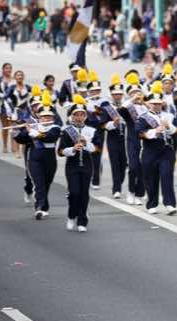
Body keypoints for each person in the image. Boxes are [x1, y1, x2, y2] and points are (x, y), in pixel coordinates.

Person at [59, 95, 102, 233]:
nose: (79, 117)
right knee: (74, 192)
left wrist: (86, 143)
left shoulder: (91, 131)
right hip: (72, 166)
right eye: (76, 115)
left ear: (85, 116)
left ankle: (82, 220)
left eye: (82, 115)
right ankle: (72, 215)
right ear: (72, 116)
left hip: (87, 165)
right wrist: (72, 149)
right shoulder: (67, 131)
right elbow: (60, 151)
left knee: (84, 193)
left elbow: (97, 149)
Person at [136, 84, 177, 215]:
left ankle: (170, 204)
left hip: (166, 150)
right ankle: (152, 204)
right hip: (150, 150)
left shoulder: (169, 116)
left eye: (158, 103)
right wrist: (155, 131)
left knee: (167, 176)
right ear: (149, 104)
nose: (156, 106)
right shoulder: (143, 117)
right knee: (151, 178)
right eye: (154, 103)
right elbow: (139, 133)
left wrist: (169, 127)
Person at [24, 94, 61, 220]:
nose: (46, 118)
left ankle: (44, 207)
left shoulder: (55, 128)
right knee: (39, 184)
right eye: (44, 116)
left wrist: (33, 132)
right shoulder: (34, 126)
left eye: (48, 116)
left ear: (53, 117)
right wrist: (20, 132)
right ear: (39, 117)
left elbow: (49, 137)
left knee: (46, 184)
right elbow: (22, 139)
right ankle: (39, 208)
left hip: (50, 160)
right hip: (35, 159)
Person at [98, 75, 128, 198]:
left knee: (123, 164)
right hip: (113, 139)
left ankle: (118, 183)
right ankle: (117, 188)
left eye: (119, 94)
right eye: (115, 94)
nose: (118, 96)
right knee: (115, 164)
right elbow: (103, 125)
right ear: (111, 94)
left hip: (126, 140)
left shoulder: (126, 106)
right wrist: (113, 124)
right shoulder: (106, 108)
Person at [119, 73, 147, 205]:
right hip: (132, 140)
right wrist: (132, 99)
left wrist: (144, 101)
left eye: (138, 92)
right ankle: (131, 191)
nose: (137, 95)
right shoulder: (128, 107)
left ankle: (139, 194)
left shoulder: (146, 107)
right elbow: (121, 109)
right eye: (133, 93)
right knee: (133, 167)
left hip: (146, 140)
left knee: (143, 167)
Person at [0, 62, 15, 154]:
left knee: (13, 126)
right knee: (5, 126)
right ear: (3, 69)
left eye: (10, 68)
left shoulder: (14, 79)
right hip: (2, 105)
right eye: (7, 68)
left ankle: (13, 146)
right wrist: (1, 95)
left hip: (12, 105)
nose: (9, 70)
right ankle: (5, 146)